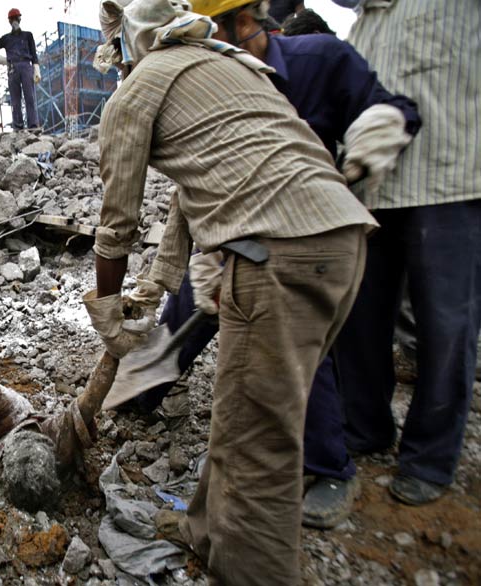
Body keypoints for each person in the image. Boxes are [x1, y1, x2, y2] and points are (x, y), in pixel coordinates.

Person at [90, 1, 377, 583]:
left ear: (128, 43)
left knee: (258, 455)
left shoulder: (136, 91)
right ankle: (205, 530)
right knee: (242, 410)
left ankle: (251, 568)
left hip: (278, 254)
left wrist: (108, 314)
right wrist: (163, 282)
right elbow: (192, 198)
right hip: (341, 240)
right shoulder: (228, 63)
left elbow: (116, 226)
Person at [146, 0, 419, 530]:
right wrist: (201, 256)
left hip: (310, 230)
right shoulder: (214, 83)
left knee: (294, 343)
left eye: (212, 40)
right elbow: (194, 182)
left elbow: (393, 109)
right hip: (239, 228)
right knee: (188, 307)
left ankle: (330, 465)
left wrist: (369, 143)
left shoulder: (321, 60)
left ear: (247, 22)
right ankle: (145, 388)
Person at [328, 0, 481, 506]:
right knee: (359, 318)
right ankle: (365, 426)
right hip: (374, 189)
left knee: (446, 328)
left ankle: (429, 458)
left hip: (450, 181)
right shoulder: (366, 19)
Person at [0, 8, 40, 131]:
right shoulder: (5, 38)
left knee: (30, 97)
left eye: (16, 18)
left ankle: (33, 126)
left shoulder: (28, 35)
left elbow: (34, 54)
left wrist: (36, 69)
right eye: (12, 18)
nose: (14, 20)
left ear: (20, 19)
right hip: (13, 68)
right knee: (15, 100)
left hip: (26, 66)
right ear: (9, 21)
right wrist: (6, 61)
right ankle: (18, 127)